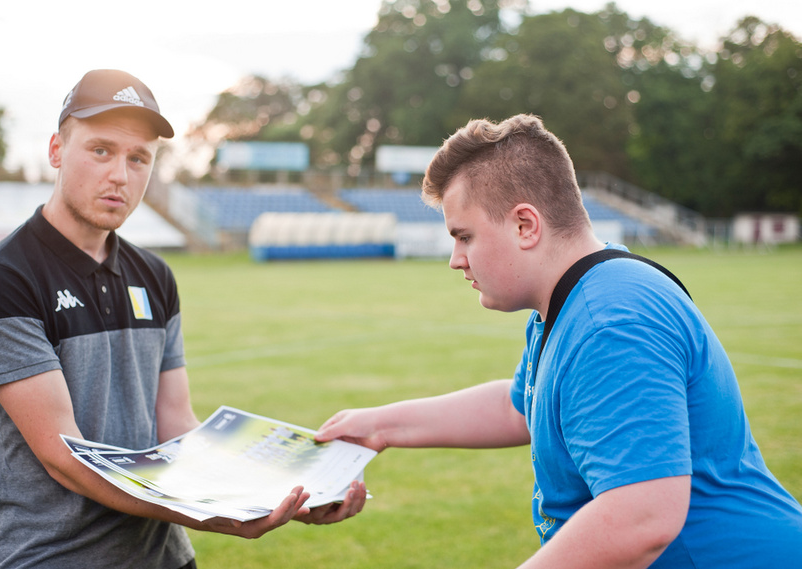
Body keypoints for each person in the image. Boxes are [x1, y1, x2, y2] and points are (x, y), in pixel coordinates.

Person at [315, 114, 802, 568]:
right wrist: (379, 427)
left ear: (525, 225)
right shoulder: (578, 292)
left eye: (464, 237)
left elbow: (643, 516)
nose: (455, 259)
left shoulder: (610, 319)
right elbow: (520, 407)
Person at [0, 69, 365, 569]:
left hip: (163, 556)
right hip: (49, 557)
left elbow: (177, 427)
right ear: (57, 151)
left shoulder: (154, 275)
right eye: (101, 150)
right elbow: (65, 458)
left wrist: (286, 493)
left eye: (138, 158)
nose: (120, 176)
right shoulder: (2, 280)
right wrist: (210, 515)